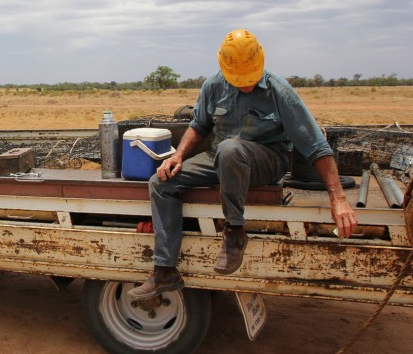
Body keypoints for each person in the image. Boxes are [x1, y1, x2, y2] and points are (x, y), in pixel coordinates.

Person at [128, 29, 359, 301]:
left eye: (250, 79)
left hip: (266, 161)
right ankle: (165, 271)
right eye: (238, 80)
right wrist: (177, 156)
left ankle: (235, 232)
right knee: (161, 182)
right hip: (223, 157)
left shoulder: (279, 91)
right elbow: (199, 125)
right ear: (224, 69)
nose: (245, 85)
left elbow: (316, 145)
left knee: (230, 149)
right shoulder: (213, 86)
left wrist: (338, 198)